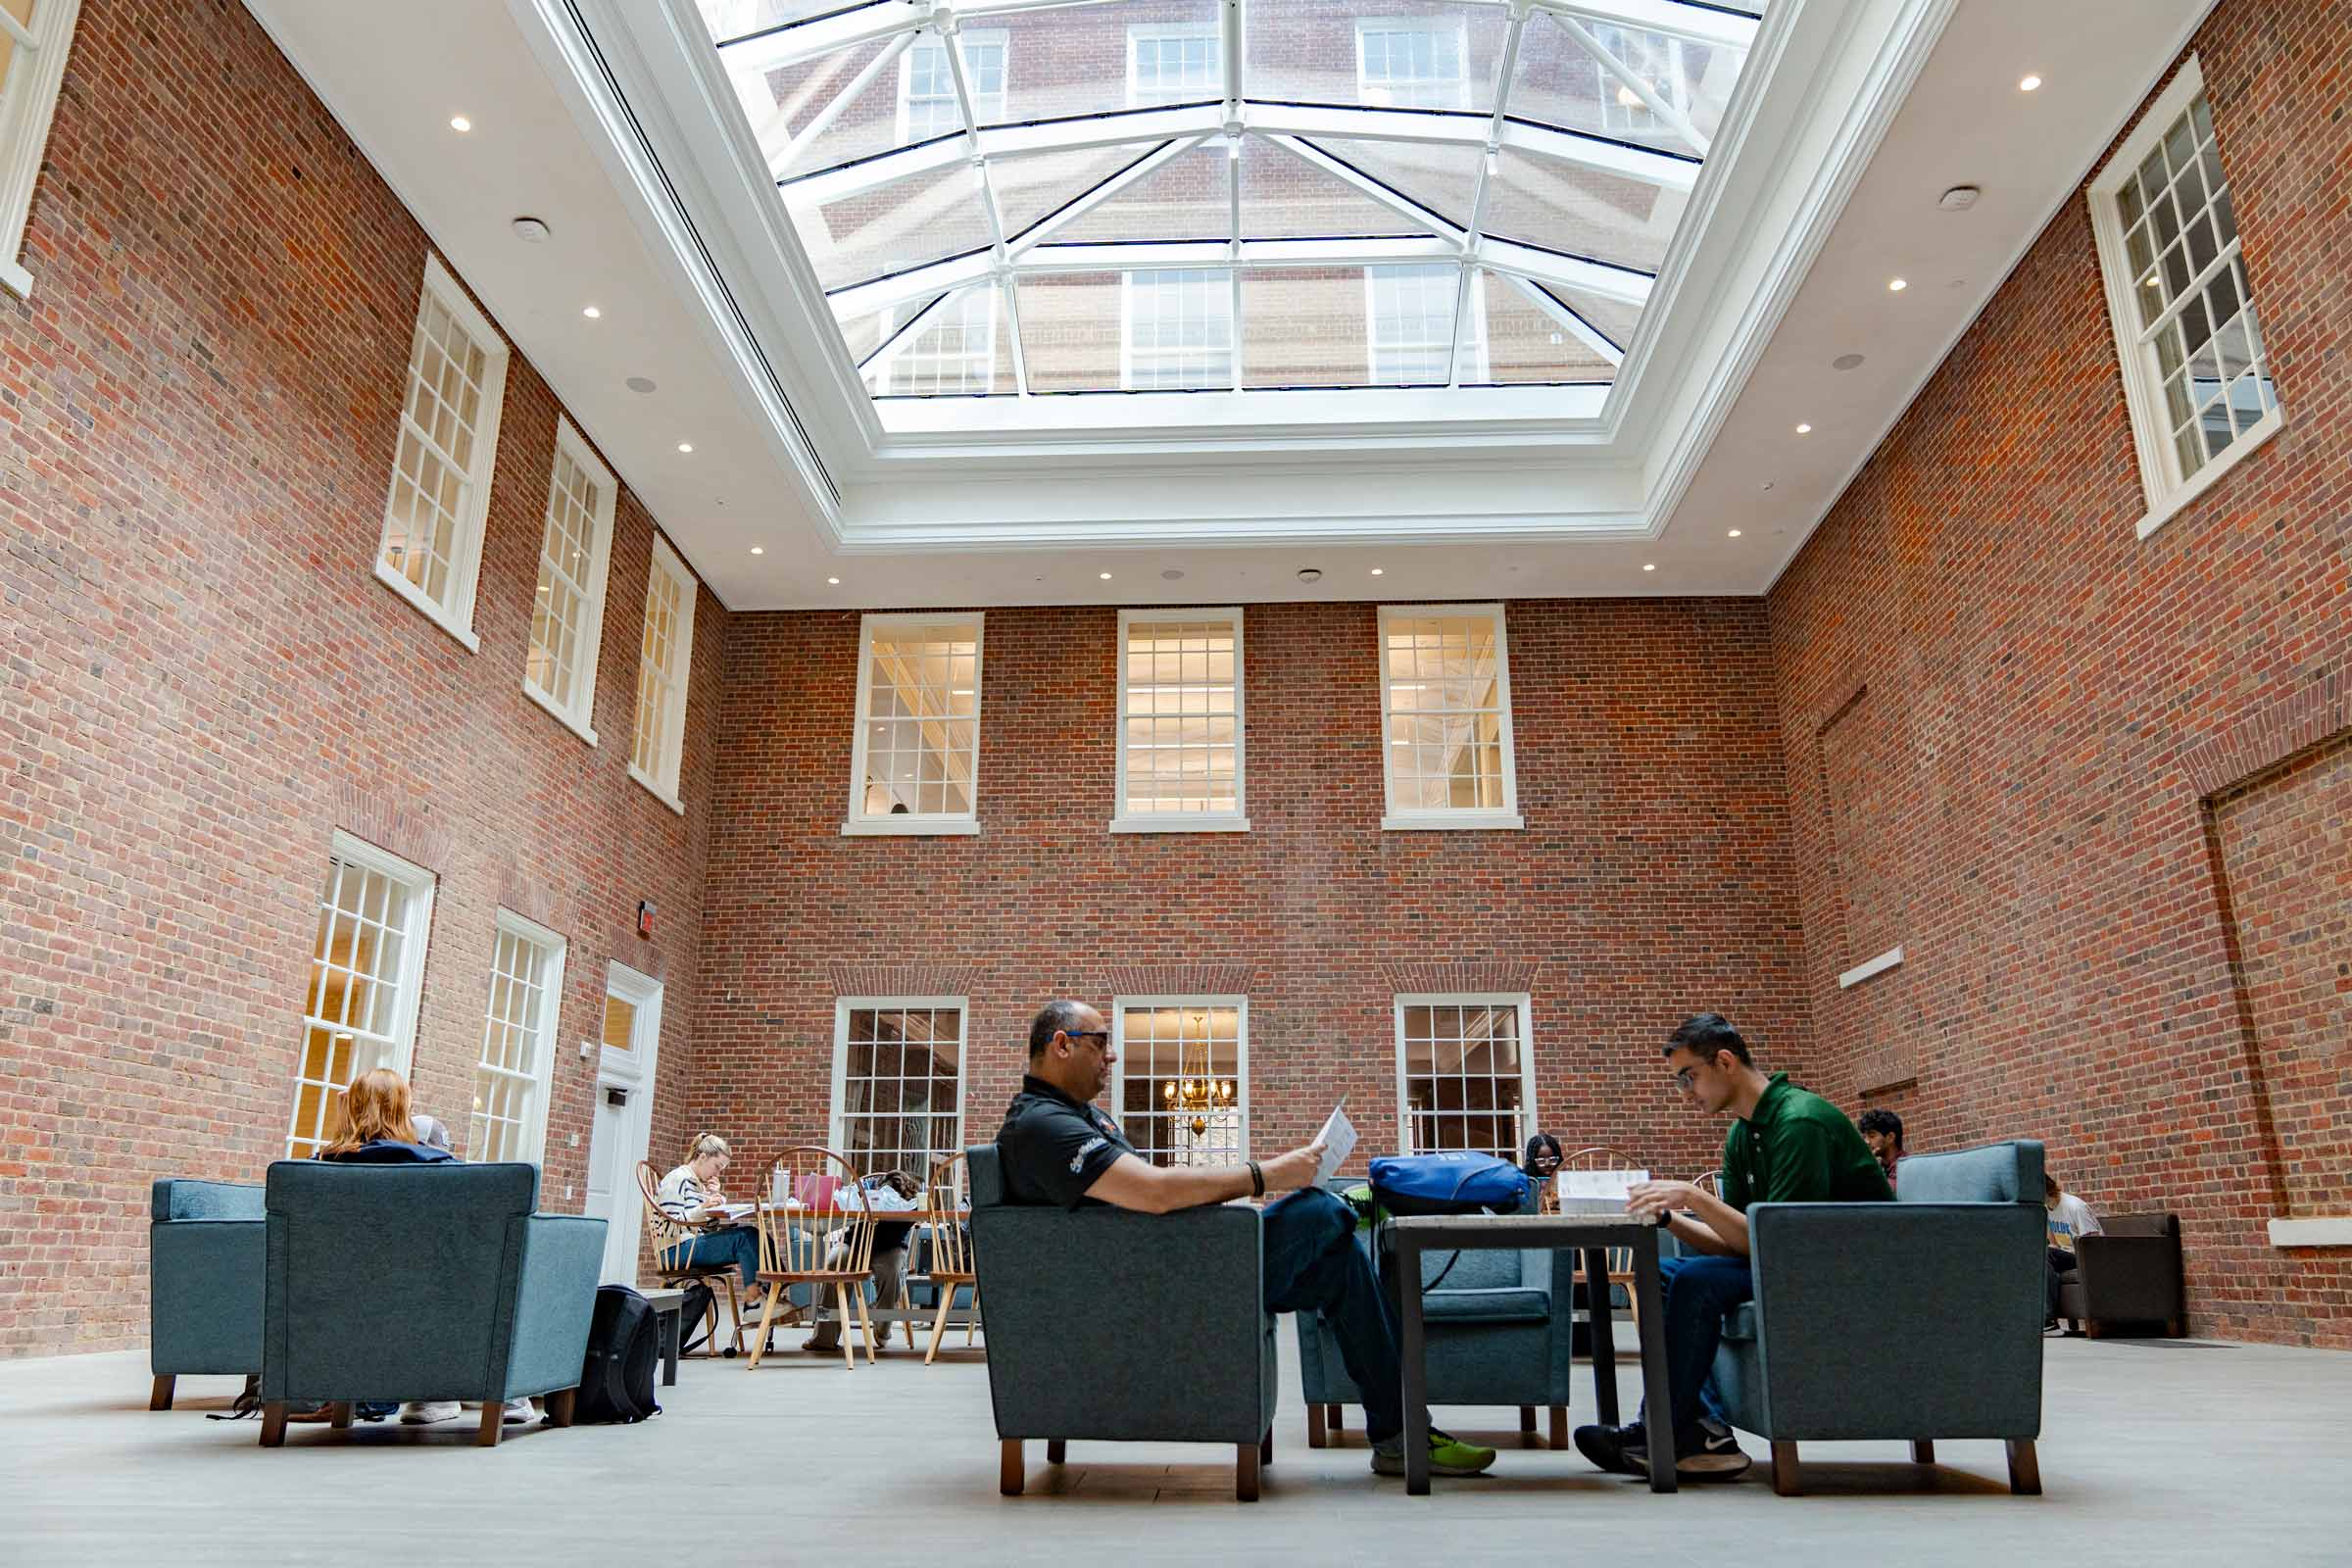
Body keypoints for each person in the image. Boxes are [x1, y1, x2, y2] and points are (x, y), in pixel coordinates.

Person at [997, 1001, 1498, 1480]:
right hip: (1156, 1287)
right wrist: (1268, 1174)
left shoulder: (1080, 1118)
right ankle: (1358, 1211)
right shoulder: (1042, 1125)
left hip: (1175, 1264)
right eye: (1100, 1042)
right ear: (1062, 1044)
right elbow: (1152, 1192)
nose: (1110, 1054)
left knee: (1340, 1258)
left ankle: (1401, 1435)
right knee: (1322, 1212)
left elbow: (1147, 1196)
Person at [1573, 1014, 1892, 1483]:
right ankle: (1701, 1431)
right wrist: (1668, 1217)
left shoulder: (1799, 1121)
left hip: (1847, 1271)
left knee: (1696, 1281)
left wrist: (1693, 1195)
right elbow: (1739, 1242)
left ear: (1724, 1061)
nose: (1686, 1092)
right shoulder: (1743, 1132)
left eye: (1689, 1077)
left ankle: (1667, 1427)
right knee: (1661, 1273)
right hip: (1792, 1259)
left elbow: (1773, 1243)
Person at [315, 1068, 531, 1427]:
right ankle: (489, 1392)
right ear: (404, 1112)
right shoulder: (437, 1167)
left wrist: (343, 1129)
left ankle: (435, 1395)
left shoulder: (315, 1170)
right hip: (428, 1304)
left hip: (340, 1306)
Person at [806, 1169, 920, 1352]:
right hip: (854, 1244)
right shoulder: (866, 1194)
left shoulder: (912, 1202)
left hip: (890, 1247)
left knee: (894, 1269)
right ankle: (824, 1335)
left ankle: (882, 1327)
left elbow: (916, 1218)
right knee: (835, 1262)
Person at [657, 1133, 769, 1313]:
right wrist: (703, 1209)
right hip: (674, 1250)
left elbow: (702, 1227)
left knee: (754, 1235)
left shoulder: (698, 1184)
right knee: (745, 1237)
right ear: (702, 1157)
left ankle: (772, 1293)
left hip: (691, 1245)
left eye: (721, 1169)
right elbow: (666, 1227)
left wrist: (710, 1199)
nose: (717, 1173)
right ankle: (755, 1300)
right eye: (717, 1167)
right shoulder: (677, 1179)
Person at [2044, 1172, 2102, 1333]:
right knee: (2040, 1256)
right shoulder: (2045, 1209)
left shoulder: (2075, 1207)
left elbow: (2093, 1245)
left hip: (2088, 1256)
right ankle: (2047, 1320)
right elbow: (2053, 1243)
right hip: (2066, 1256)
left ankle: (2048, 1319)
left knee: (2045, 1254)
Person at [1857, 1107, 1904, 1193]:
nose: (1866, 1142)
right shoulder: (1881, 1167)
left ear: (1890, 1137)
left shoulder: (1905, 1168)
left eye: (1872, 1136)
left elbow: (1885, 1197)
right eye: (1864, 1137)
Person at [1522, 1132, 1564, 1212]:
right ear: (1532, 1161)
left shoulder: (1564, 1180)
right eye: (1541, 1160)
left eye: (1552, 1159)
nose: (1547, 1164)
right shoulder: (1527, 1182)